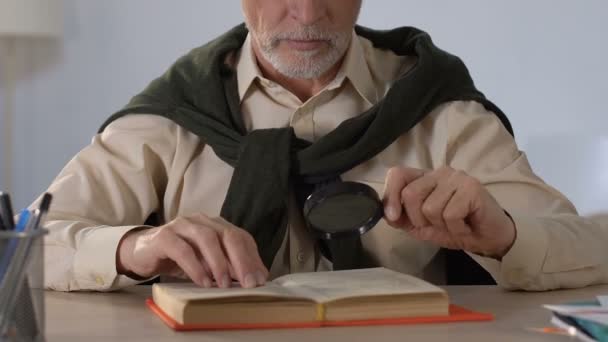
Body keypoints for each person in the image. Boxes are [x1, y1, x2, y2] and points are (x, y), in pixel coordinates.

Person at [39, 0, 607, 292]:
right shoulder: (174, 113)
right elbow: (26, 248)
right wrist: (134, 249)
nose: (308, 14)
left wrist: (504, 233)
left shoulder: (438, 106)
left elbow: (592, 246)